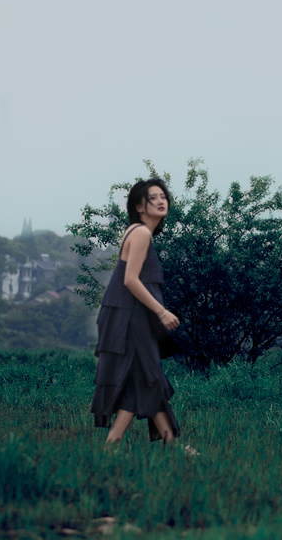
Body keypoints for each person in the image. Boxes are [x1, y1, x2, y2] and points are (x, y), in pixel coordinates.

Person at [90, 178, 181, 445]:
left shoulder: (137, 232)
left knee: (146, 380)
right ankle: (112, 446)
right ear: (139, 206)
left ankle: (173, 446)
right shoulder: (140, 233)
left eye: (163, 196)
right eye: (153, 198)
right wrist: (162, 312)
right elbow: (130, 280)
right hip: (130, 318)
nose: (161, 201)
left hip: (128, 316)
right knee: (148, 377)